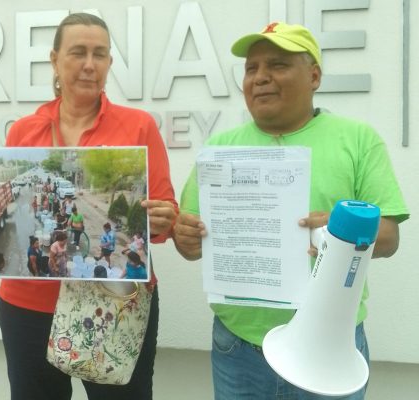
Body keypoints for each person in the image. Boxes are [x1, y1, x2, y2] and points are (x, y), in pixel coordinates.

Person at [0, 12, 177, 400]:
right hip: (26, 306)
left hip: (112, 304)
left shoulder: (138, 126)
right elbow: (5, 213)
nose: (89, 64)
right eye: (78, 52)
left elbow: (165, 219)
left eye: (99, 54)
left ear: (110, 63)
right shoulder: (24, 130)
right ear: (54, 60)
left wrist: (164, 217)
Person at [172, 22, 409, 400]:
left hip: (328, 346)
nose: (261, 78)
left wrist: (339, 235)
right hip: (239, 347)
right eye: (252, 69)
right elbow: (189, 241)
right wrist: (183, 236)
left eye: (278, 65)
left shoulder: (358, 140)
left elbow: (389, 237)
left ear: (313, 75)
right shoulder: (220, 147)